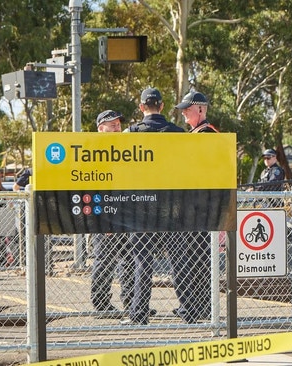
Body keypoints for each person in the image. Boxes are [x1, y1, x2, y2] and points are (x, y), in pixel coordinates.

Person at [121, 88, 184, 326]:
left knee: (141, 260)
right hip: (172, 206)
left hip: (141, 207)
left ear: (141, 108)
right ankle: (188, 309)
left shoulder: (130, 134)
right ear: (163, 105)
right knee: (179, 258)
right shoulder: (179, 134)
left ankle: (139, 313)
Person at [165, 91, 217, 323]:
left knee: (197, 258)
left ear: (201, 110)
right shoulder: (197, 133)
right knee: (195, 257)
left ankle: (197, 307)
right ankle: (197, 305)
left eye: (188, 108)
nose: (184, 112)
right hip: (194, 206)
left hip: (200, 206)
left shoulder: (206, 134)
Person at [90, 110, 134, 319]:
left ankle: (131, 302)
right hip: (104, 215)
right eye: (112, 125)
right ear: (101, 128)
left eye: (118, 124)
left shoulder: (125, 150)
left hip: (125, 213)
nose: (117, 127)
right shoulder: (94, 152)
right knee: (104, 260)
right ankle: (101, 304)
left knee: (128, 259)